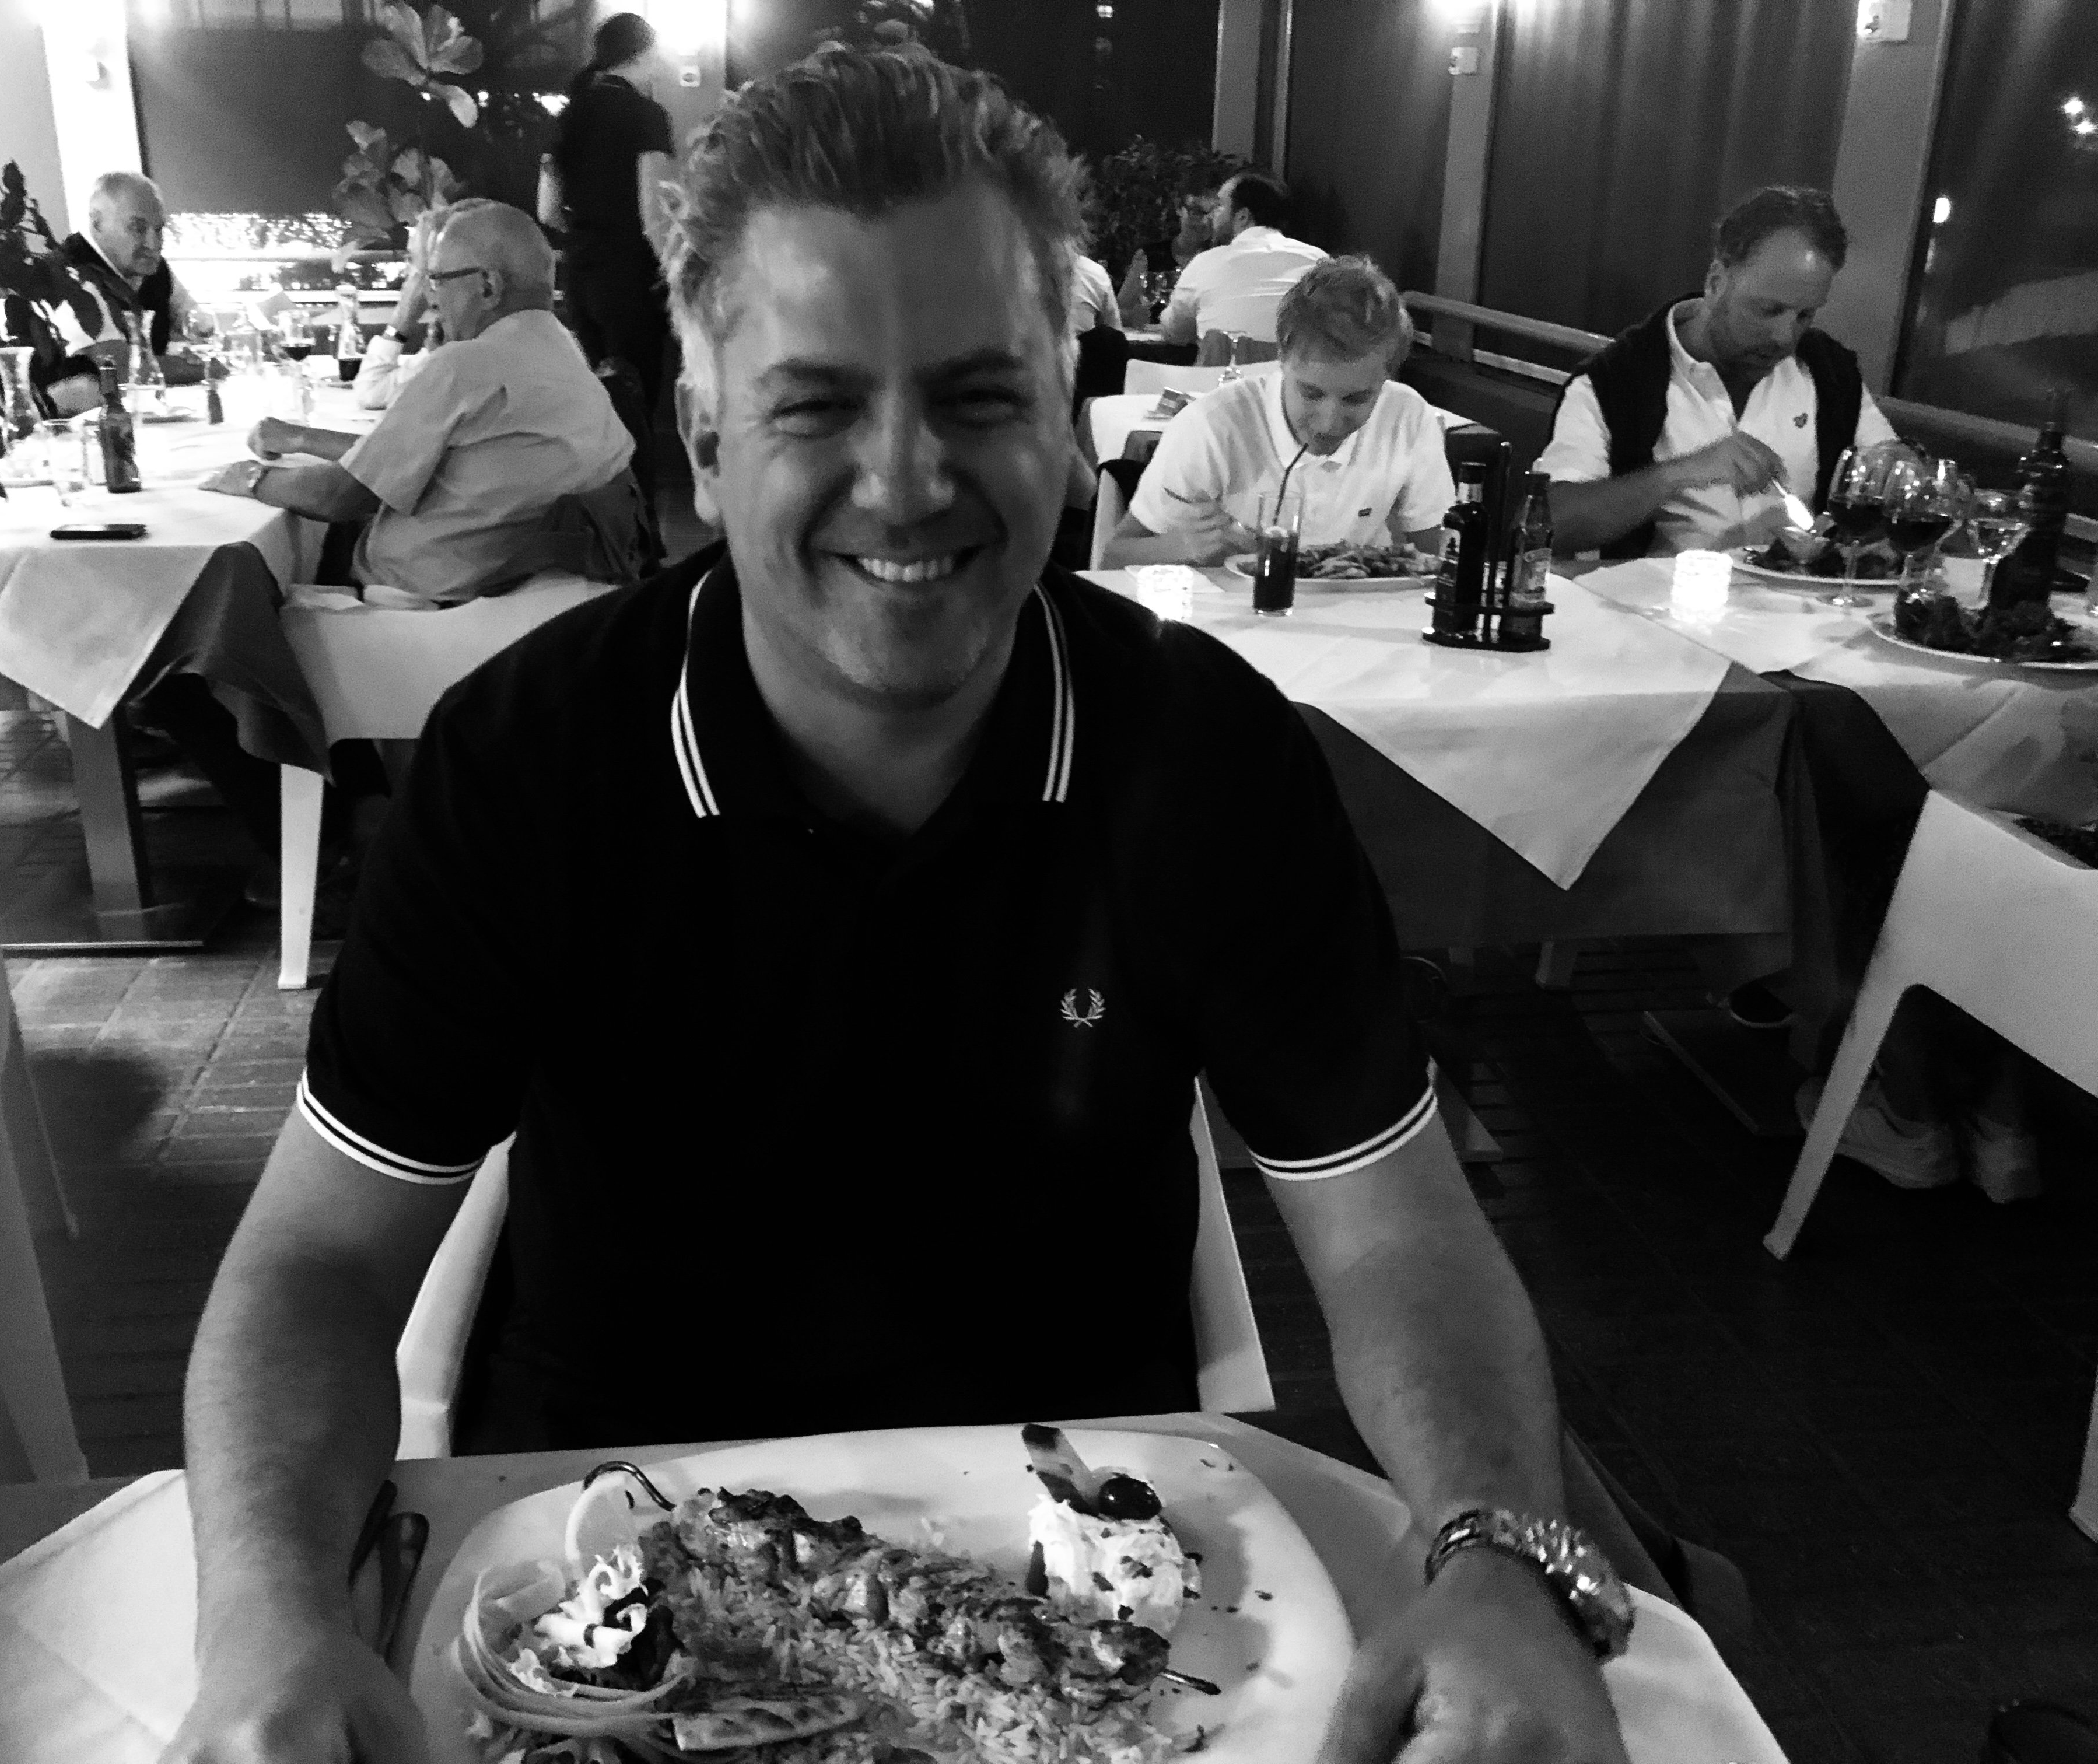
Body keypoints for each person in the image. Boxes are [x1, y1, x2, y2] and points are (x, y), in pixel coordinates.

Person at [168, 48, 1634, 1764]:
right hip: (599, 1575)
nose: (906, 478)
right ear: (707, 443)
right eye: (813, 406)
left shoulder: (1209, 754)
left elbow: (1396, 1234)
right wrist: (269, 1611)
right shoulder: (525, 762)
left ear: (1063, 423)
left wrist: (1495, 1557)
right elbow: (320, 1260)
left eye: (978, 397)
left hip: (1097, 1598)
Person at [198, 204, 637, 603]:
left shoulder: (465, 366)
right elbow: (422, 460)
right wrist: (301, 439)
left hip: (429, 617)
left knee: (239, 600)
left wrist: (251, 478)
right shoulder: (566, 352)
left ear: (488, 285)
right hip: (538, 602)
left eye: (438, 279)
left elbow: (338, 497)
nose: (431, 297)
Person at [1537, 184, 1903, 556]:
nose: (1785, 337)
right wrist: (1679, 473)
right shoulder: (1614, 381)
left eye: (1805, 315)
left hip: (1796, 592)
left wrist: (1898, 475)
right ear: (1716, 283)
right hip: (1658, 593)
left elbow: (1888, 464)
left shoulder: (1828, 373)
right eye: (1768, 311)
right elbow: (1551, 525)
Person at [1109, 256, 1453, 568]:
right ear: (1282, 358)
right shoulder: (1211, 426)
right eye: (1311, 393)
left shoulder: (1408, 417)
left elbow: (1441, 562)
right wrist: (1180, 547)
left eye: (1357, 399)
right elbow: (1112, 558)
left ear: (1388, 378)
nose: (1329, 422)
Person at [544, 13, 675, 420]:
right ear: (642, 54)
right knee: (635, 412)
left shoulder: (569, 116)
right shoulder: (647, 115)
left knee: (595, 411)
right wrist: (677, 276)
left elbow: (547, 210)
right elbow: (653, 215)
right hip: (630, 283)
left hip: (580, 280)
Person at [30, 171, 209, 415]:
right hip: (80, 429)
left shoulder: (152, 268)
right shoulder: (70, 276)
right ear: (97, 224)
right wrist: (203, 366)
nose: (153, 244)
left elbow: (202, 330)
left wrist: (197, 351)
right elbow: (120, 369)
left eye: (159, 230)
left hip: (146, 416)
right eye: (138, 229)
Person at [350, 200, 497, 413]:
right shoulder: (450, 335)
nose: (407, 274)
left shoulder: (463, 343)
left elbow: (371, 393)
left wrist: (400, 321)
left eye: (412, 262)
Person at [1158, 171, 1327, 349]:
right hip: (1291, 366)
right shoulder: (1318, 261)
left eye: (1220, 206)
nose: (1212, 215)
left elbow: (1175, 332)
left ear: (1243, 217)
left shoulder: (1205, 263)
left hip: (1223, 367)